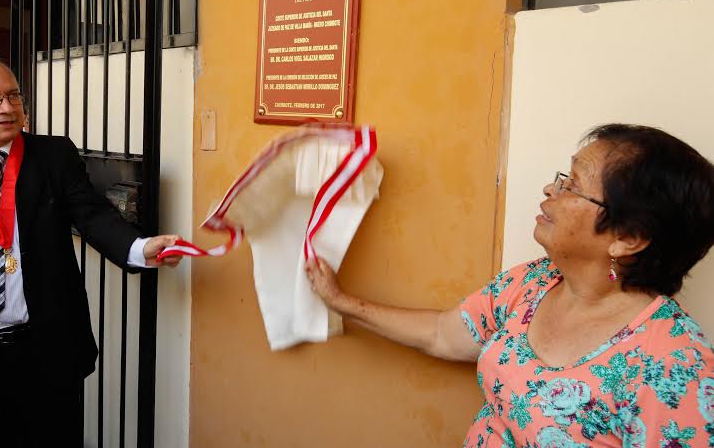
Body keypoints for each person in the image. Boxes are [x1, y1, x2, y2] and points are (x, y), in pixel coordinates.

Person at [306, 124, 714, 447]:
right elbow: (441, 334)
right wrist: (340, 301)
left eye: (572, 184)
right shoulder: (533, 283)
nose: (550, 189)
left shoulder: (676, 367)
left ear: (627, 238)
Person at [0, 51, 182, 447]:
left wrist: (139, 247)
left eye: (14, 96)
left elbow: (92, 214)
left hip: (47, 348)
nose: (7, 108)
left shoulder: (53, 156)